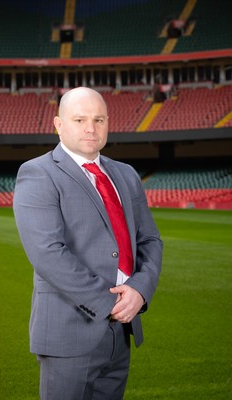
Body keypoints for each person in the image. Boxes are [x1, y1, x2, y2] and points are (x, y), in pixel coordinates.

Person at [13, 87, 163, 400]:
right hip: (69, 332)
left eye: (99, 119)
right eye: (79, 119)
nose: (90, 128)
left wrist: (140, 290)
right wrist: (111, 303)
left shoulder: (126, 174)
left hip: (121, 332)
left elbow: (149, 240)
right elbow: (48, 254)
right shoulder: (38, 173)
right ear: (58, 124)